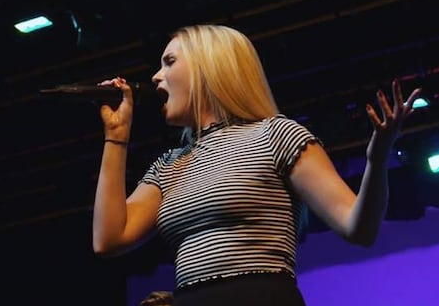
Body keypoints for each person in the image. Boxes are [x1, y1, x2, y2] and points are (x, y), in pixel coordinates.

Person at [92, 24, 421, 305]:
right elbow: (108, 239)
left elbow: (358, 228)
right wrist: (116, 137)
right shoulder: (169, 165)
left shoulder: (276, 135)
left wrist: (377, 160)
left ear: (210, 67)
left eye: (170, 62)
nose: (156, 76)